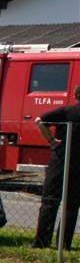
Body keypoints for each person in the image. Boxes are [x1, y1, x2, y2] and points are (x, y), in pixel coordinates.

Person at [33, 85, 80, 249]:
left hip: (59, 161)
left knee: (50, 201)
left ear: (75, 95)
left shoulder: (66, 111)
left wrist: (51, 141)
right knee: (72, 204)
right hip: (78, 165)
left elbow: (39, 120)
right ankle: (64, 243)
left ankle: (41, 241)